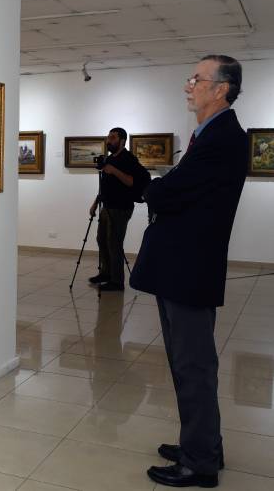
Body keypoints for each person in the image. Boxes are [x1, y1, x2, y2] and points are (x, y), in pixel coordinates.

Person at [130, 55, 248, 488]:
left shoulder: (223, 138)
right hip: (183, 267)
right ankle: (203, 446)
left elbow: (170, 192)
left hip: (189, 269)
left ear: (221, 89)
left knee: (193, 366)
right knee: (187, 365)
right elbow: (176, 190)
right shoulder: (211, 135)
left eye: (196, 79)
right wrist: (160, 189)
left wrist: (155, 189)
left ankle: (200, 463)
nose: (188, 85)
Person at [88, 127, 150, 291]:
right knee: (101, 239)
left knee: (114, 243)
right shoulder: (109, 159)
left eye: (113, 138)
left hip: (121, 208)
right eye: (108, 137)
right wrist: (95, 203)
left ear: (122, 141)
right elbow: (105, 185)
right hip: (107, 206)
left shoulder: (129, 159)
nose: (109, 141)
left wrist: (114, 171)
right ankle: (106, 273)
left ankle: (117, 281)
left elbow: (132, 182)